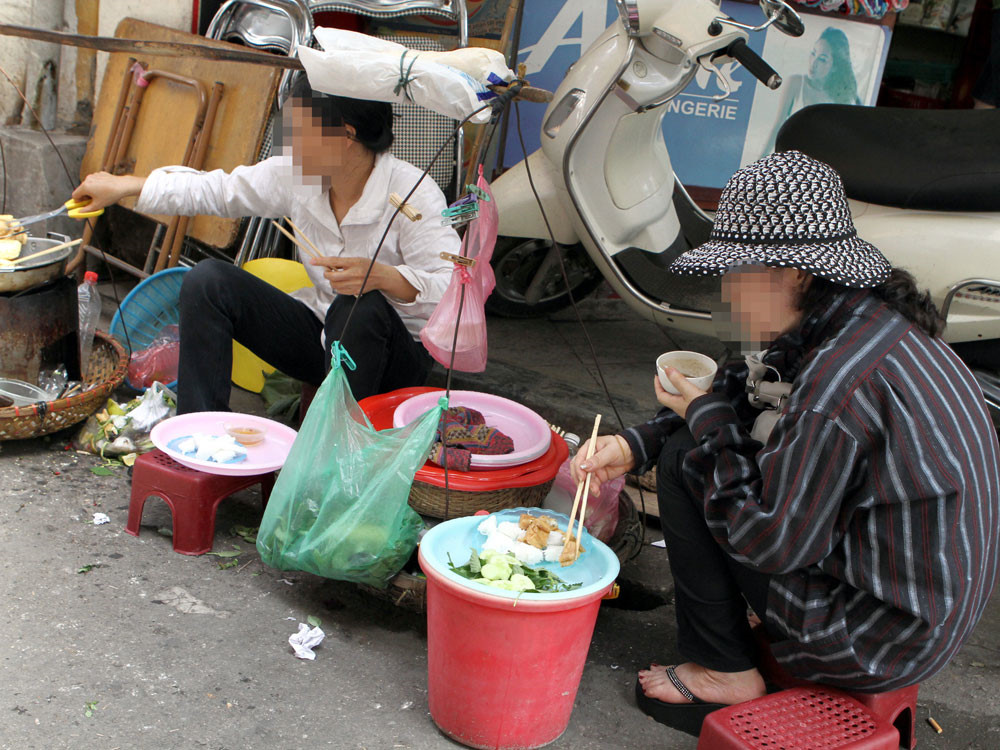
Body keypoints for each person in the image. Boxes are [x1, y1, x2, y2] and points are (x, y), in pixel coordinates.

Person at [571, 150, 1000, 736]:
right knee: (687, 446)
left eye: (735, 274)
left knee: (692, 463)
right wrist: (636, 443)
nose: (726, 292)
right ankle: (736, 638)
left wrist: (703, 419)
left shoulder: (838, 386)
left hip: (879, 638)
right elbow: (745, 384)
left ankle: (722, 670)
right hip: (925, 607)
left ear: (793, 275)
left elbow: (768, 541)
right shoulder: (859, 319)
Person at [74, 76, 459, 413]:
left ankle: (335, 453)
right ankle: (199, 433)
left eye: (301, 134)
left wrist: (386, 277)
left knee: (357, 309)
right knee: (209, 281)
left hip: (393, 358)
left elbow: (454, 291)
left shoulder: (412, 194)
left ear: (345, 136)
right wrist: (125, 186)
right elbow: (218, 190)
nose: (289, 148)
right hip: (324, 341)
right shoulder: (299, 176)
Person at [760, 27, 861, 159]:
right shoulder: (796, 83)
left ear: (835, 66)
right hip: (788, 163)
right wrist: (759, 161)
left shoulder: (842, 98)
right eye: (813, 53)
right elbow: (778, 125)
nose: (814, 63)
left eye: (822, 59)